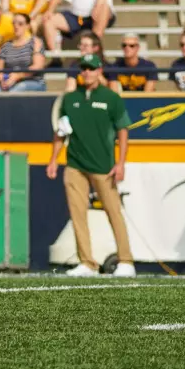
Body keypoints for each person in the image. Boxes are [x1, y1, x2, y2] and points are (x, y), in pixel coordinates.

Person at [47, 54, 136, 277]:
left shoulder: (111, 98)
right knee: (78, 214)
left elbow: (123, 130)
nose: (87, 72)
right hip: (75, 163)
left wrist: (121, 162)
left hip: (103, 166)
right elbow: (60, 131)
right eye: (84, 69)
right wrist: (53, 160)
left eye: (91, 68)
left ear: (99, 71)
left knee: (113, 211)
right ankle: (87, 262)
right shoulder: (70, 99)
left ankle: (126, 260)